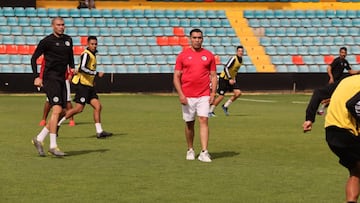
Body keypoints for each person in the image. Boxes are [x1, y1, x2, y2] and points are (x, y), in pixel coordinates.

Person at [31, 17, 75, 157]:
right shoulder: (46, 41)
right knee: (56, 109)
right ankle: (53, 146)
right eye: (58, 25)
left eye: (63, 25)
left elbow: (70, 56)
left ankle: (39, 138)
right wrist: (37, 76)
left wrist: (72, 68)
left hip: (62, 79)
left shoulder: (68, 40)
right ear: (53, 26)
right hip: (50, 79)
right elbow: (33, 58)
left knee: (62, 111)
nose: (61, 27)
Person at [173, 28, 217, 163]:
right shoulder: (182, 55)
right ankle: (190, 149)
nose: (197, 40)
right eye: (195, 38)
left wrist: (213, 93)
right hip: (187, 95)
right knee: (189, 124)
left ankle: (204, 152)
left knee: (203, 120)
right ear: (190, 39)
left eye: (199, 38)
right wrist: (181, 94)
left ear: (202, 39)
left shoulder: (209, 55)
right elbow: (176, 76)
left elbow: (214, 76)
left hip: (204, 94)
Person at [57, 36, 112, 139]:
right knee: (78, 109)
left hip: (89, 85)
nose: (94, 46)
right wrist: (96, 73)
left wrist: (93, 80)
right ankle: (57, 123)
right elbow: (82, 68)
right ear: (88, 44)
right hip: (82, 85)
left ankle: (99, 131)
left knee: (98, 106)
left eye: (95, 44)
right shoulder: (86, 54)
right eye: (92, 44)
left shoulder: (92, 55)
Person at [321, 74, 360, 203]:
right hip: (347, 132)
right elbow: (352, 104)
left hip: (331, 132)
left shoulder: (347, 81)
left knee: (356, 170)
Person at [317, 47, 359, 115]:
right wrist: (331, 77)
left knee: (334, 97)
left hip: (338, 82)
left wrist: (358, 71)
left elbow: (351, 71)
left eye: (345, 53)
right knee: (332, 97)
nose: (343, 54)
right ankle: (322, 106)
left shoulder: (345, 62)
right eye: (342, 52)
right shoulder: (337, 60)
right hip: (332, 81)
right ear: (339, 53)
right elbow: (329, 68)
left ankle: (322, 108)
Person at [38, 59, 75, 127]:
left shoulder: (64, 52)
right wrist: (41, 78)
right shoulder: (48, 55)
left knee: (67, 100)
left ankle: (71, 120)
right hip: (52, 79)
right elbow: (43, 67)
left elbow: (70, 63)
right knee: (49, 100)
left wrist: (70, 74)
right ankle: (43, 119)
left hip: (64, 79)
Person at [209, 45, 244, 117]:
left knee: (238, 93)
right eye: (239, 51)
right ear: (237, 52)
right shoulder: (234, 58)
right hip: (224, 78)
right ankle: (210, 111)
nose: (240, 52)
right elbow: (226, 68)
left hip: (231, 79)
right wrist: (230, 77)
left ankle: (225, 106)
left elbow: (234, 71)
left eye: (242, 51)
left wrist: (233, 78)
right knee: (221, 96)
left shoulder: (241, 60)